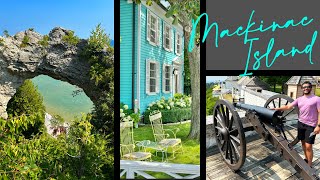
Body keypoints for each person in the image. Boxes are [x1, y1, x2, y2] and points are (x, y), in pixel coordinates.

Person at [271, 81, 320, 167]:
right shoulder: (299, 99)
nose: (306, 88)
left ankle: (309, 164)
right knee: (303, 143)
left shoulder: (316, 99)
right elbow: (288, 107)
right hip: (301, 124)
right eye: (304, 87)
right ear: (302, 88)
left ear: (311, 88)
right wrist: (276, 108)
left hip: (311, 126)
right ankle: (306, 158)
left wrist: (318, 126)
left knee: (309, 146)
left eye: (308, 86)